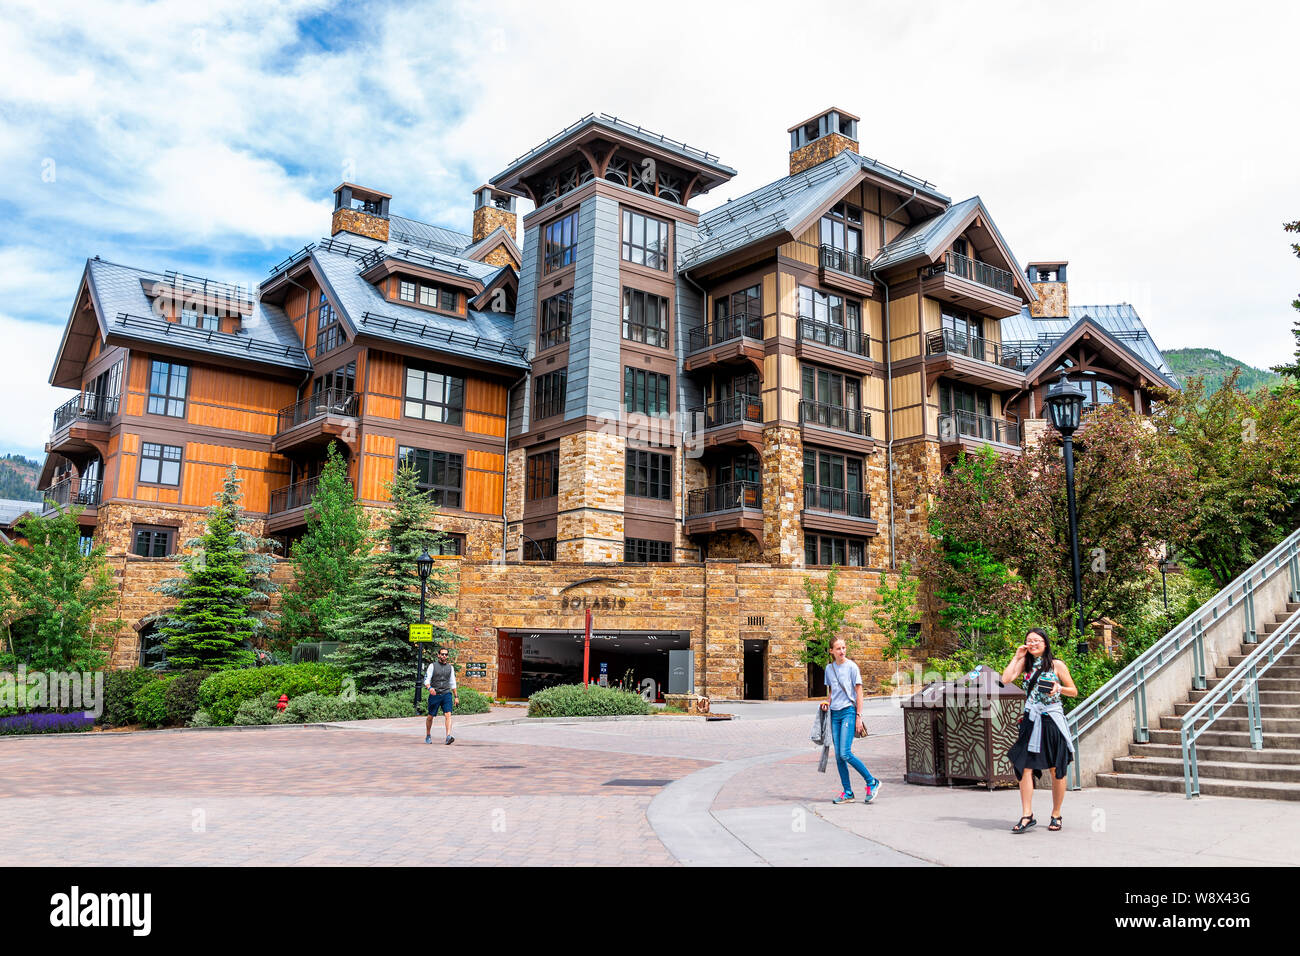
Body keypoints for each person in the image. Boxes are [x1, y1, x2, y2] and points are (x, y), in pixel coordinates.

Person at [1002, 627, 1077, 833]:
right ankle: (1027, 815)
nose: (1033, 643)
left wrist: (1058, 688)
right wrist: (1017, 657)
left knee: (1056, 768)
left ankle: (1056, 814)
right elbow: (1006, 679)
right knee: (1024, 766)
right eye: (1029, 640)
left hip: (1051, 720)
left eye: (1037, 640)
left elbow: (1074, 691)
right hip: (1031, 720)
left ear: (1045, 643)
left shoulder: (1056, 665)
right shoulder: (1025, 665)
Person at [820, 636, 881, 804]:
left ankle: (871, 781)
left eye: (844, 648)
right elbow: (833, 692)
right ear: (831, 651)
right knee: (839, 756)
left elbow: (858, 692)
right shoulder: (829, 669)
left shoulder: (852, 667)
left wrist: (858, 716)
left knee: (845, 753)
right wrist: (827, 703)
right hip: (835, 714)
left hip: (848, 711)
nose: (842, 651)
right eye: (838, 648)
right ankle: (848, 792)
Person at [424, 645, 459, 745]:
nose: (444, 656)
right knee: (430, 716)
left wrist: (456, 697)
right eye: (442, 654)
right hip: (435, 694)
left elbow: (453, 683)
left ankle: (448, 736)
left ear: (447, 656)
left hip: (446, 694)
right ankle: (428, 735)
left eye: (446, 654)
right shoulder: (432, 666)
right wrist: (430, 688)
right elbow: (426, 679)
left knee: (448, 714)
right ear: (438, 655)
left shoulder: (450, 668)